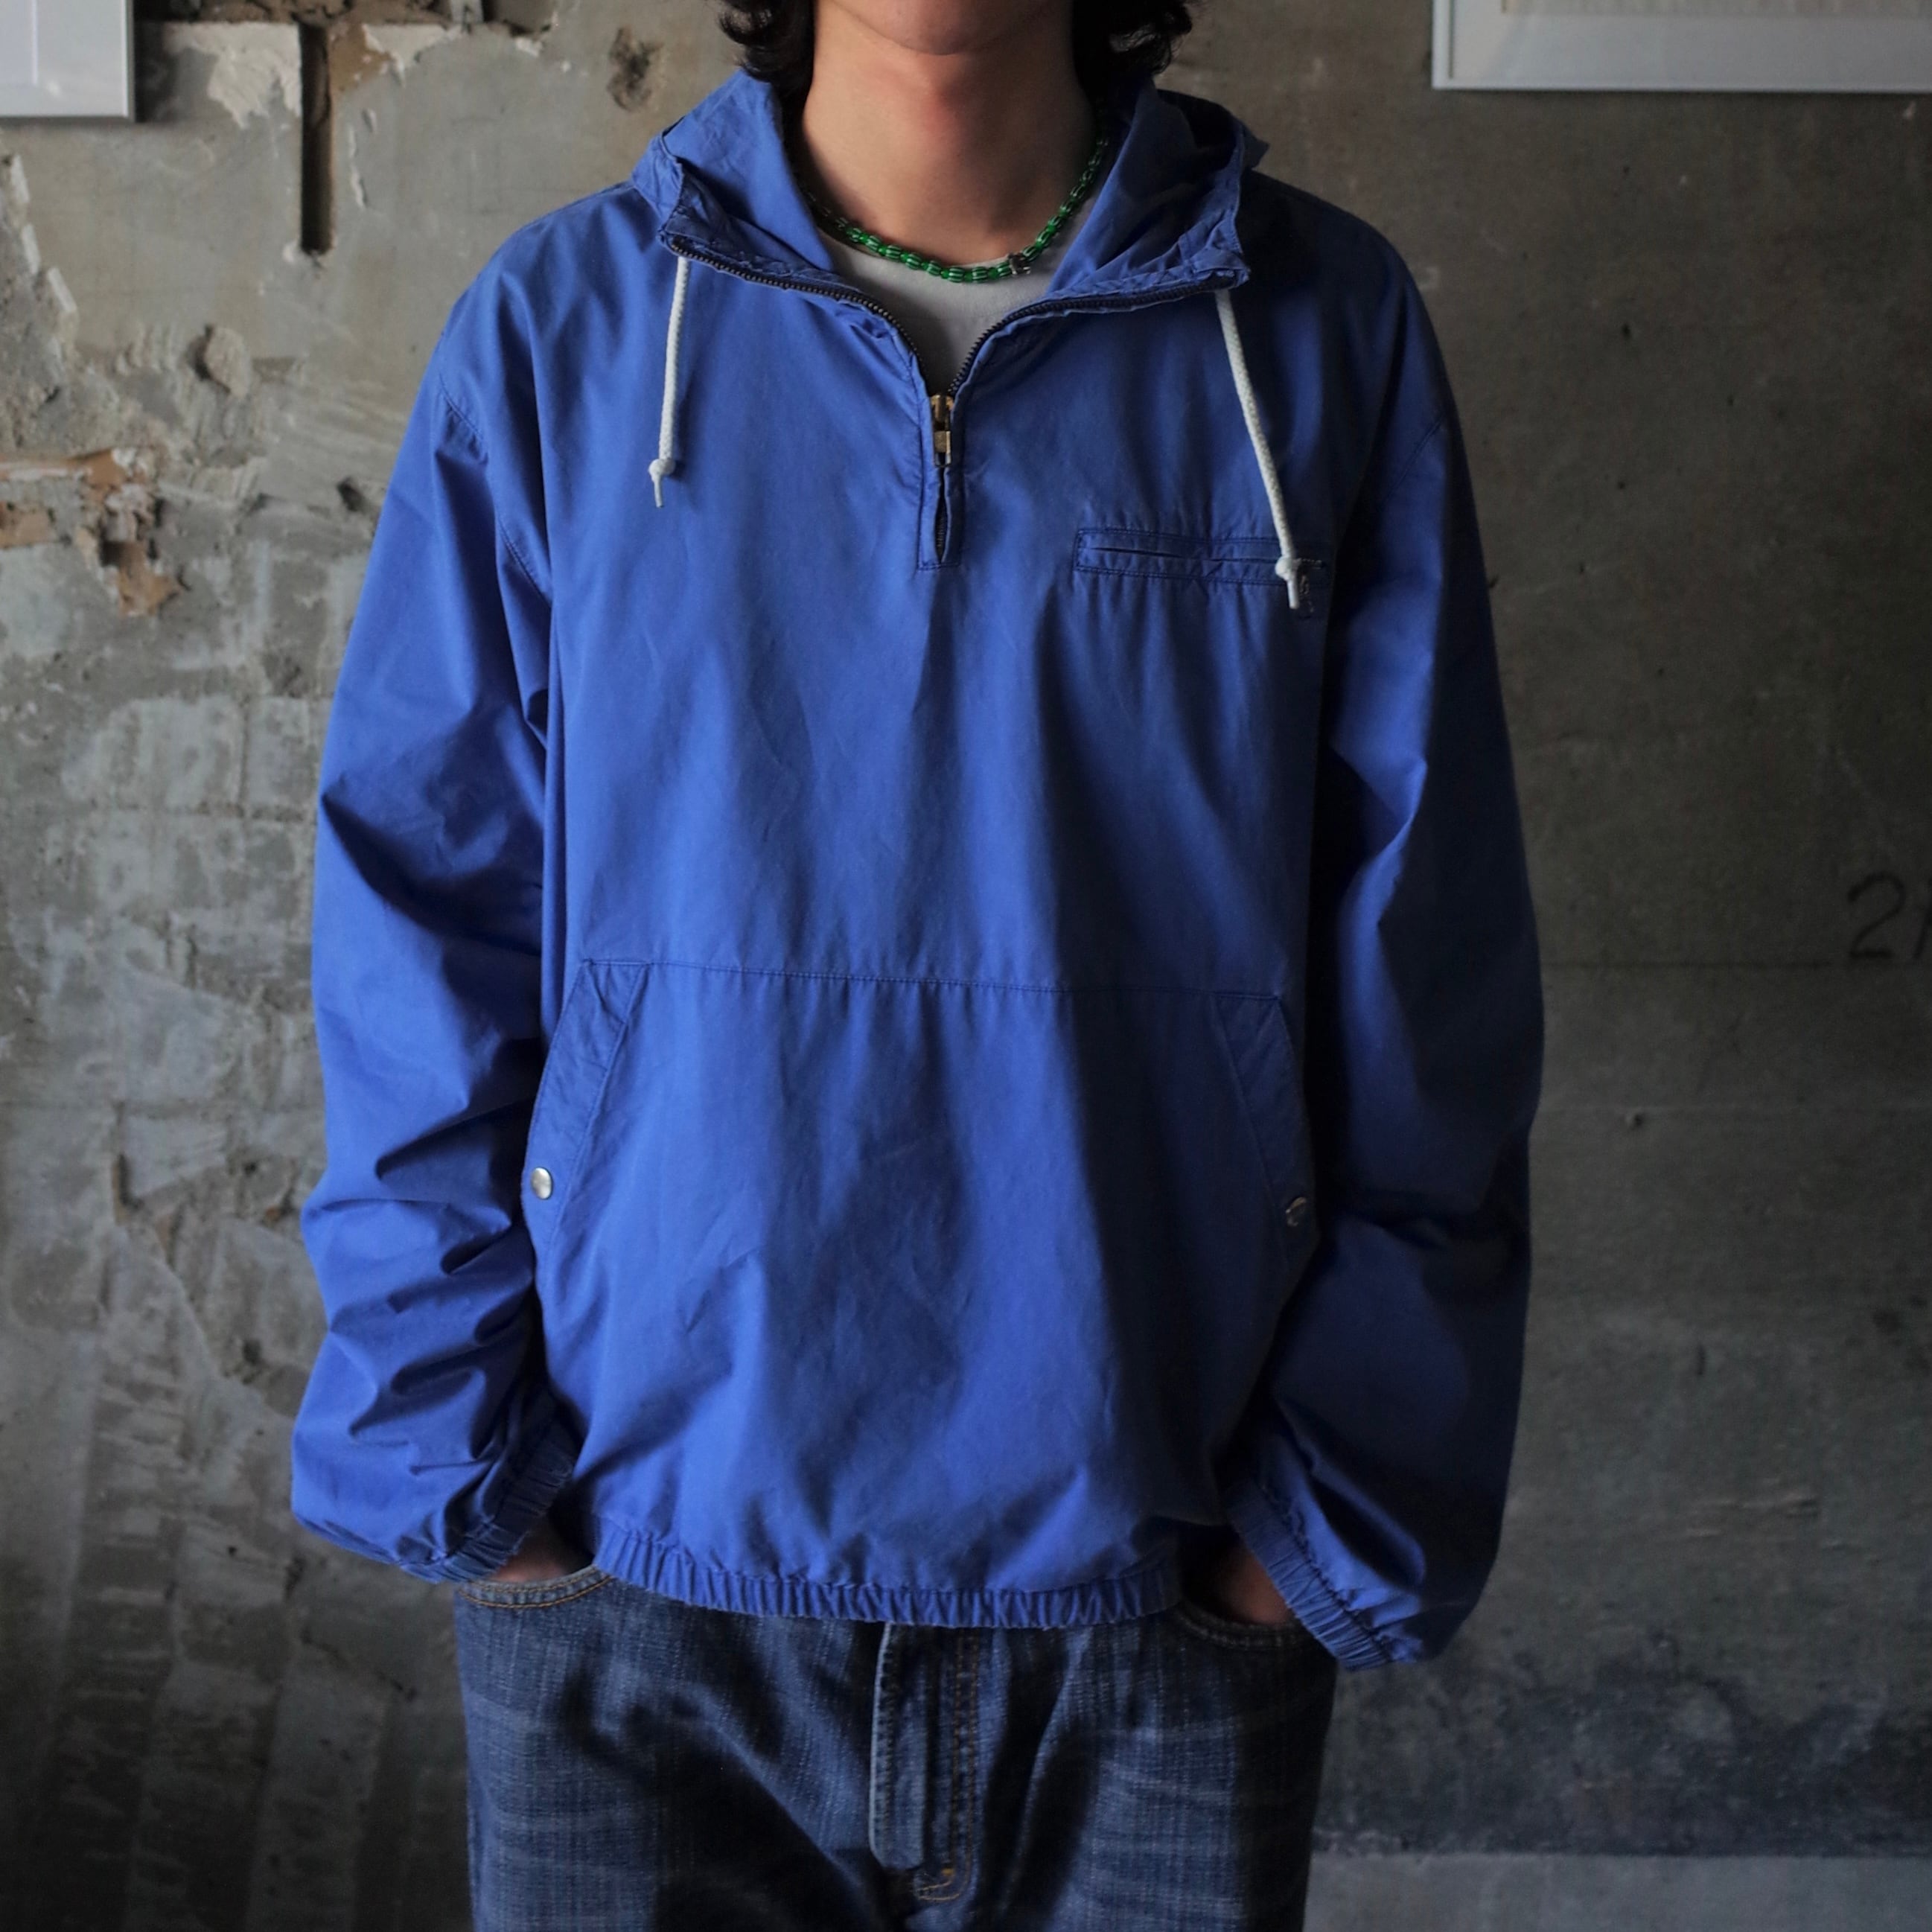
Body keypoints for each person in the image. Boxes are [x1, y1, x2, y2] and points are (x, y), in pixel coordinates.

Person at [290, 1, 1546, 1925]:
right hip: (638, 1605)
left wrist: (1305, 1539)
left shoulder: (1314, 332)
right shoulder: (564, 335)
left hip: (1159, 1612)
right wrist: (481, 1488)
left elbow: (1428, 971)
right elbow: (417, 922)